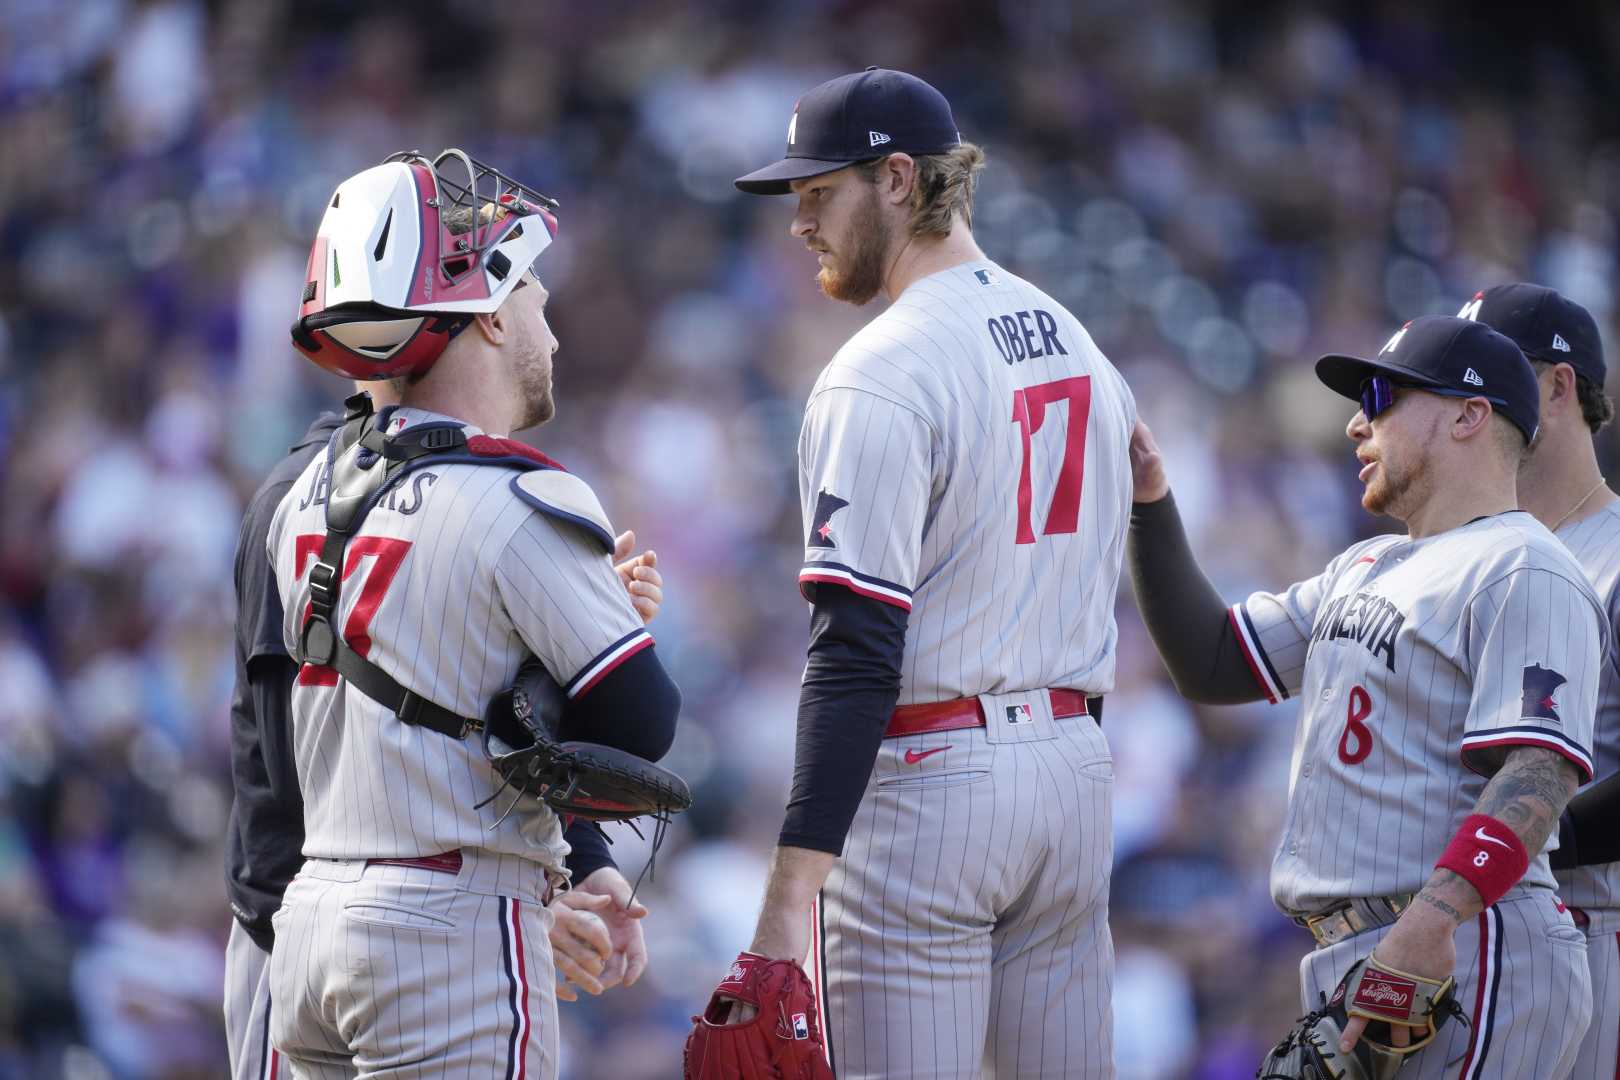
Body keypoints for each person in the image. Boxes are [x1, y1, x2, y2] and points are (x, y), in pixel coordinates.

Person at [714, 68, 1137, 1078]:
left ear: (898, 180)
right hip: (1074, 773)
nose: (799, 223)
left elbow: (854, 648)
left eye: (819, 194)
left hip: (934, 778)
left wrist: (783, 910)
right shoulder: (1077, 340)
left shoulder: (882, 367)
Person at [262, 150, 681, 1079]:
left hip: (311, 923)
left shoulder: (301, 494)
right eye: (530, 287)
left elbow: (435, 691)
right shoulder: (520, 498)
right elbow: (641, 725)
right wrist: (593, 634)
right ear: (487, 314)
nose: (550, 326)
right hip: (445, 930)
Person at [1128, 314, 1603, 1077]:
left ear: (1467, 414)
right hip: (1365, 946)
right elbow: (1213, 662)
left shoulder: (1523, 566)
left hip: (1467, 946)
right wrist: (1148, 502)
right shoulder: (1366, 565)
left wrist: (1433, 920)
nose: (1356, 422)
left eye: (1381, 396)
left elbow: (1537, 771)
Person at [221, 379, 665, 1080]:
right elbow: (300, 764)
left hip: (334, 921)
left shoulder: (442, 489)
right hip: (314, 911)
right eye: (521, 302)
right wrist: (510, 909)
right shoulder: (312, 487)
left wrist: (574, 639)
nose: (547, 343)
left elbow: (479, 717)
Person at [1461, 283, 1620, 1079]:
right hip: (1484, 919)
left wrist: (1501, 843)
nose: (1469, 405)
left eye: (1488, 375)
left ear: (1558, 386)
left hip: (1598, 927)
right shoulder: (1477, 554)